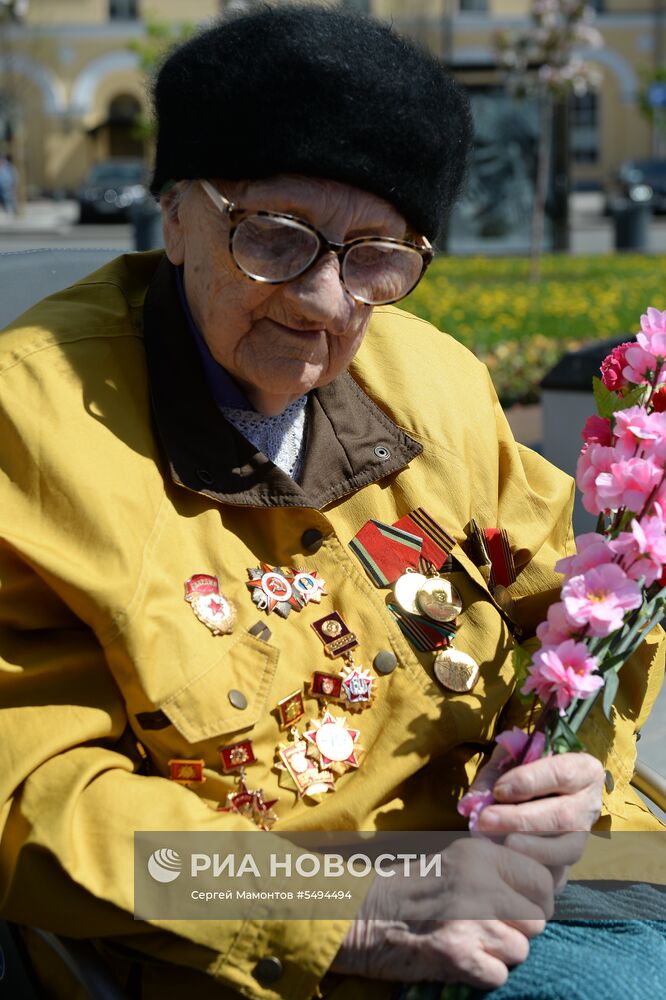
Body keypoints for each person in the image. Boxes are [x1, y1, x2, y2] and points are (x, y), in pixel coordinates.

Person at [0, 7, 663, 1000]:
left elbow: (585, 608)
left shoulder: (433, 377)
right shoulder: (35, 423)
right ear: (175, 214)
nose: (322, 298)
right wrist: (346, 910)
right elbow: (36, 807)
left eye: (374, 255)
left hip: (528, 877)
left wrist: (580, 772)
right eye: (274, 235)